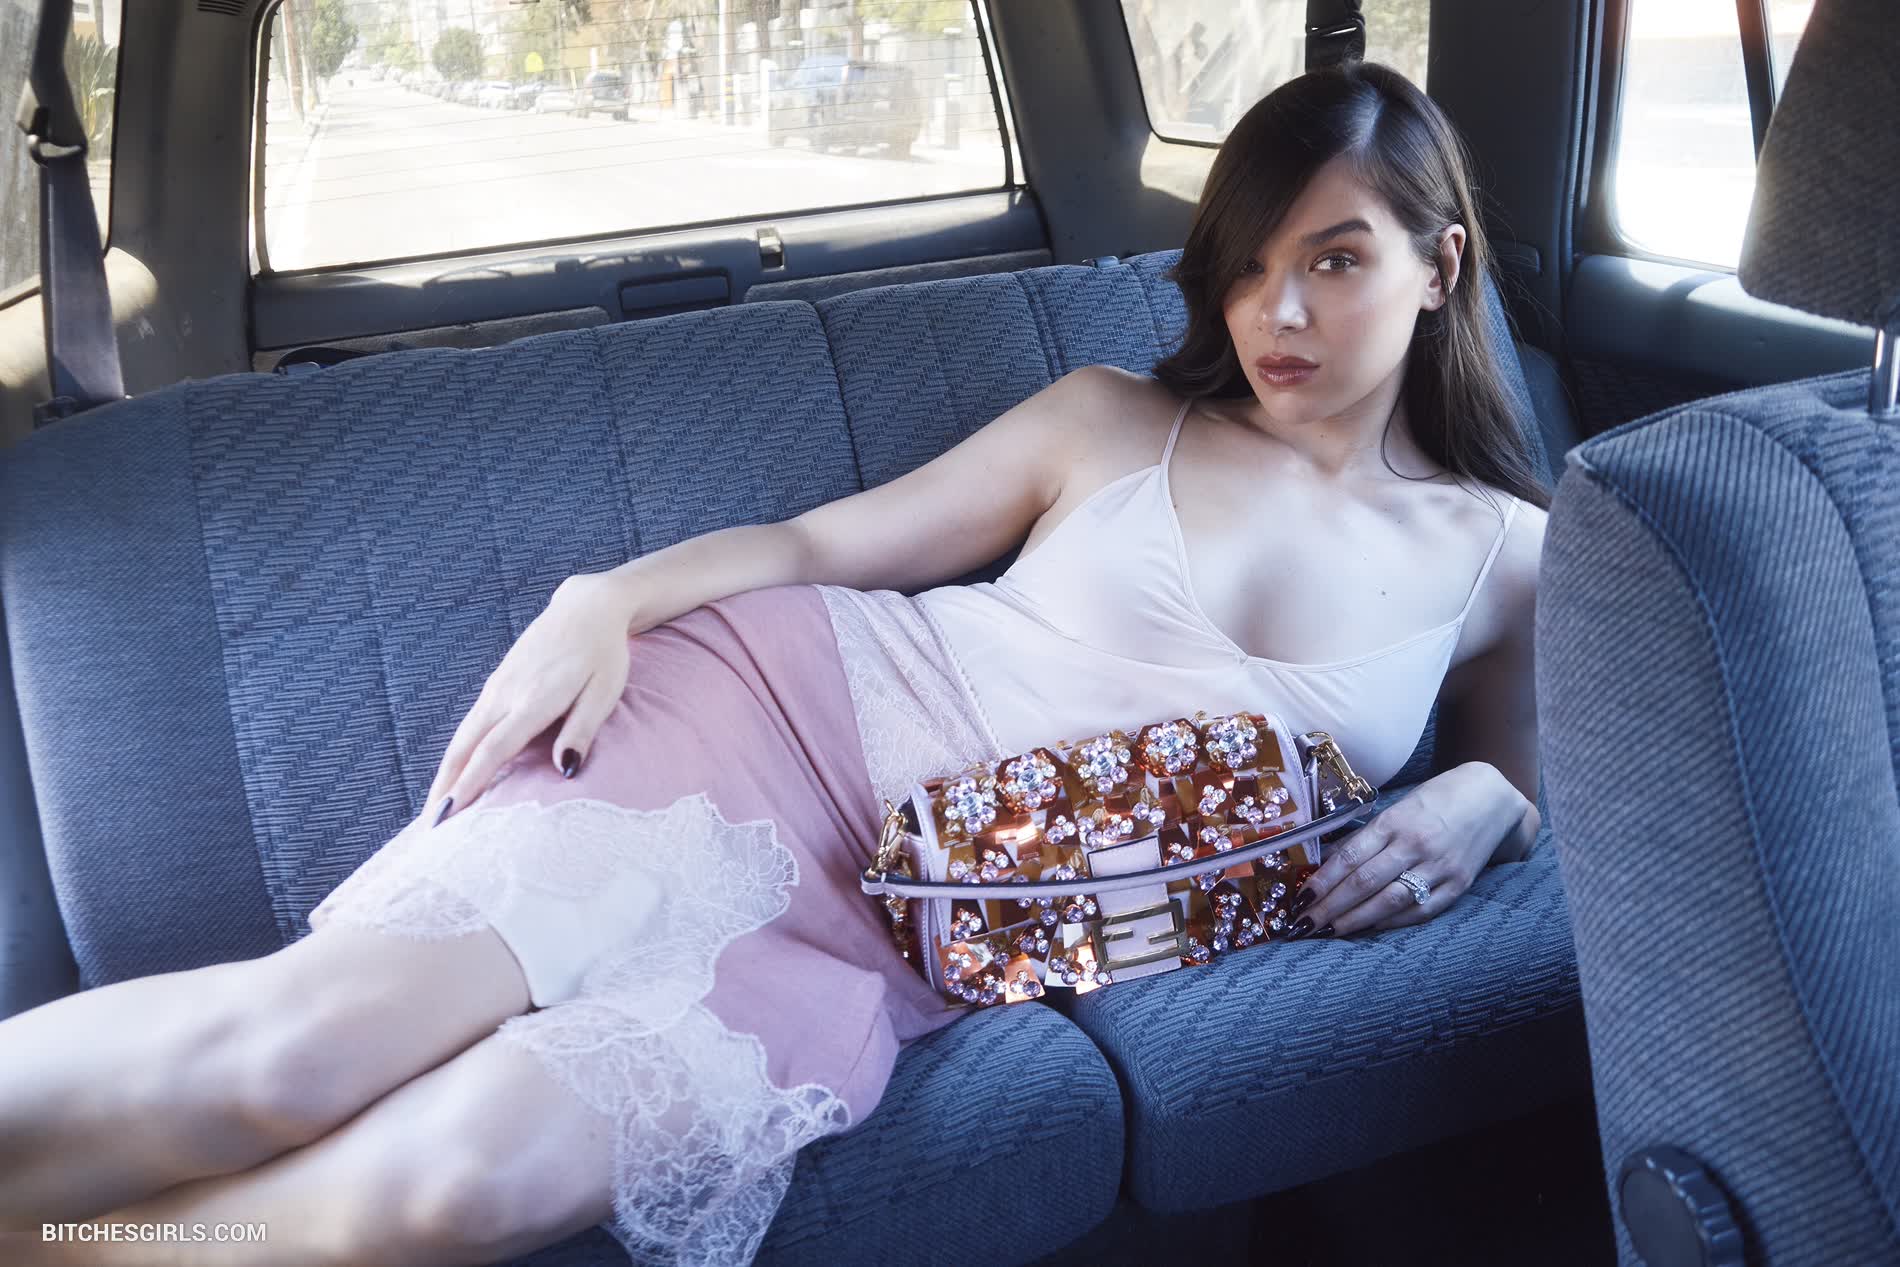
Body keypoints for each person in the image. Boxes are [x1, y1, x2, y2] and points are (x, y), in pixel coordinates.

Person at [0, 59, 1548, 1267]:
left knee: (462, 1188)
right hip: (770, 731)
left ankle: (67, 1245)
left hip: (909, 942)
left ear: (1441, 264)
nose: (1280, 310)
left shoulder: (1511, 554)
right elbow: (817, 547)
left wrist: (1485, 797)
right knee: (295, 1056)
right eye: (1248, 266)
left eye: (1336, 260)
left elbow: (1556, 780)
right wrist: (606, 598)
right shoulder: (1112, 421)